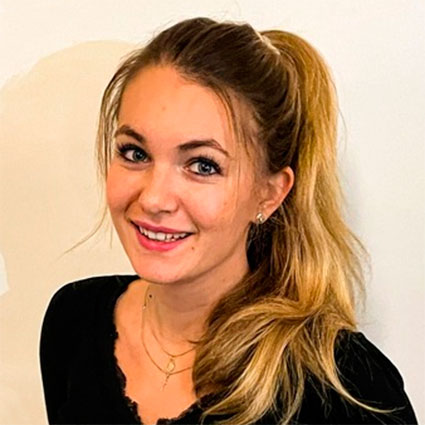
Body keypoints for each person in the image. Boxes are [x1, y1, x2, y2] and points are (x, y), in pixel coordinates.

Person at [39, 17, 418, 425]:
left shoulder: (349, 392)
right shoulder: (74, 320)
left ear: (270, 193)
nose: (153, 199)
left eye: (203, 165)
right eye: (135, 153)